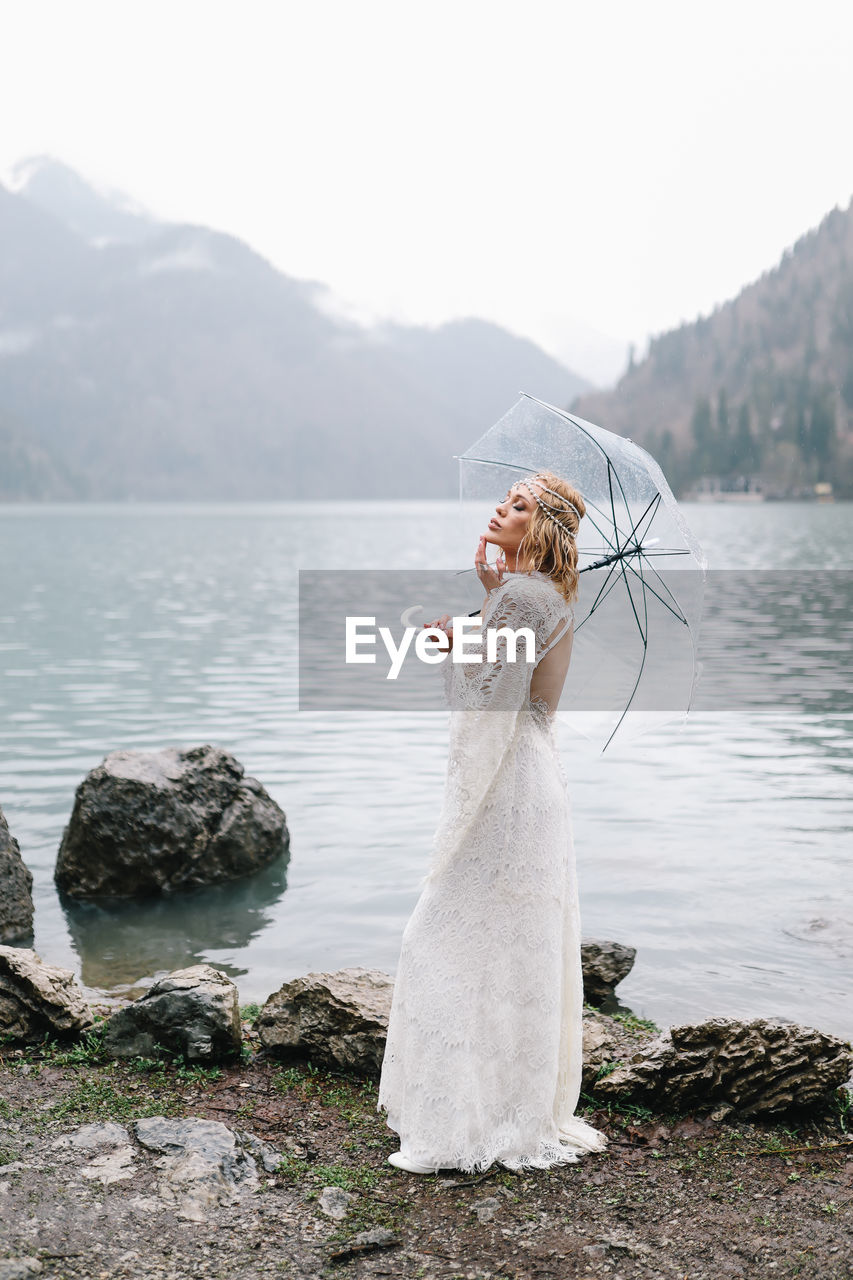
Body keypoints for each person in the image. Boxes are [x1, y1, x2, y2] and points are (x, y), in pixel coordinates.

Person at [376, 471, 609, 1174]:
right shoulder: (545, 595)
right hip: (536, 779)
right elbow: (529, 691)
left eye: (518, 505)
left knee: (441, 939)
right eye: (504, 499)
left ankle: (461, 1123)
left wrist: (451, 648)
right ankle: (504, 1109)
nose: (499, 509)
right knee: (508, 949)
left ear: (540, 530)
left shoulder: (520, 596)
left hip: (508, 789)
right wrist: (484, 607)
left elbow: (489, 704)